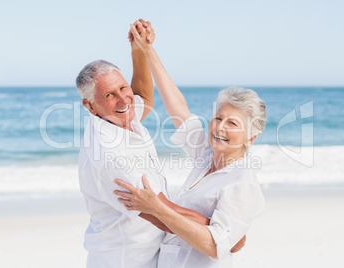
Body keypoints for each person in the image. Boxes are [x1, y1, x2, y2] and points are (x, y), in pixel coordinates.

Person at [76, 19, 243, 268]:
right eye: (109, 95)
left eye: (123, 87)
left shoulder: (120, 117)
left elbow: (143, 97)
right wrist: (226, 233)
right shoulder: (110, 155)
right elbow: (164, 216)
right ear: (90, 106)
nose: (124, 100)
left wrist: (138, 50)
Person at [114, 21, 266, 267]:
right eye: (218, 118)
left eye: (233, 124)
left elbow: (215, 246)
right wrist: (147, 50)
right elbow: (178, 108)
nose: (220, 127)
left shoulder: (243, 182)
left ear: (251, 138)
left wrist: (158, 208)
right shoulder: (207, 155)